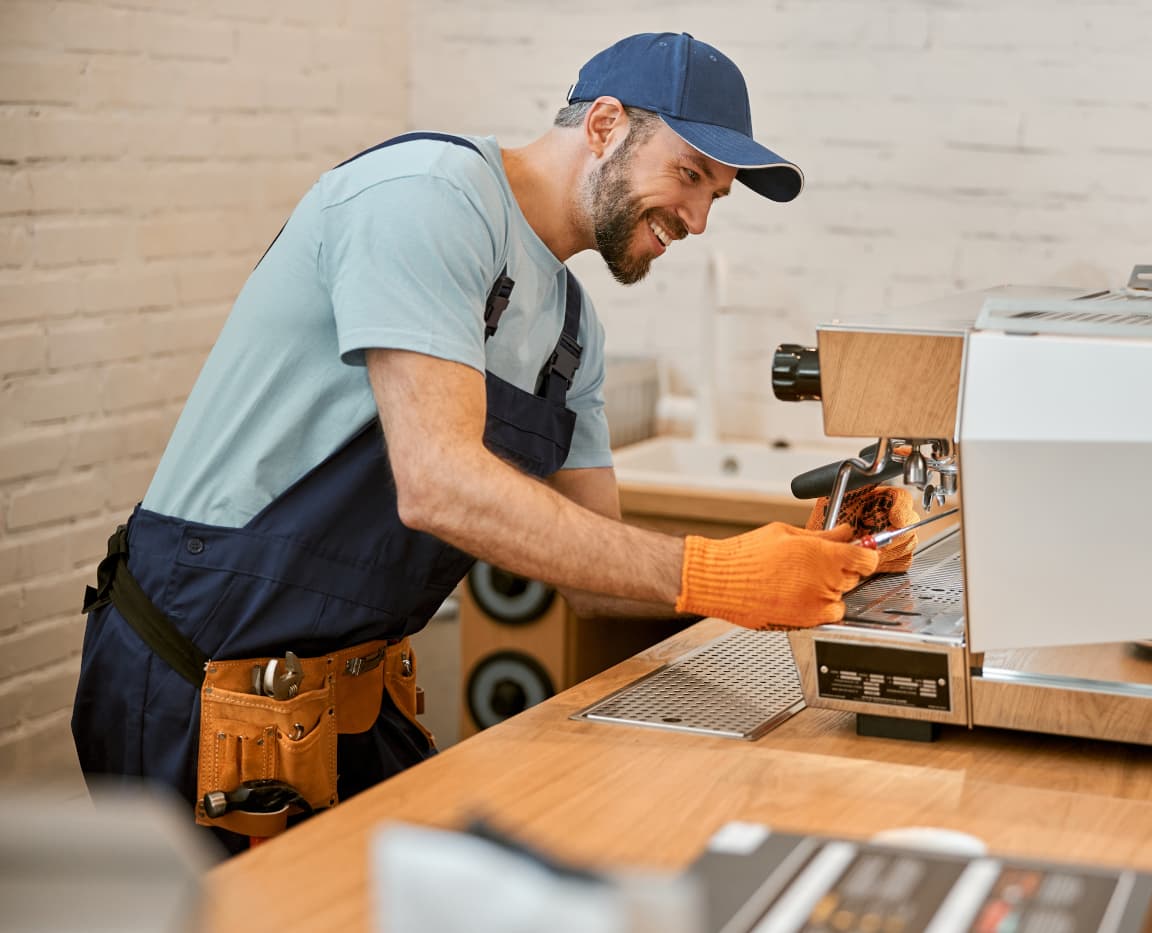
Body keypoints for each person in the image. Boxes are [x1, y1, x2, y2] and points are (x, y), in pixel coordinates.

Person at [73, 32, 906, 853]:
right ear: (606, 124)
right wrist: (712, 574)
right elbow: (438, 481)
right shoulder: (428, 198)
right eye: (689, 174)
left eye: (715, 197)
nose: (695, 218)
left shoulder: (573, 331)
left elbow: (601, 583)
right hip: (199, 677)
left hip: (342, 701)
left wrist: (789, 562)